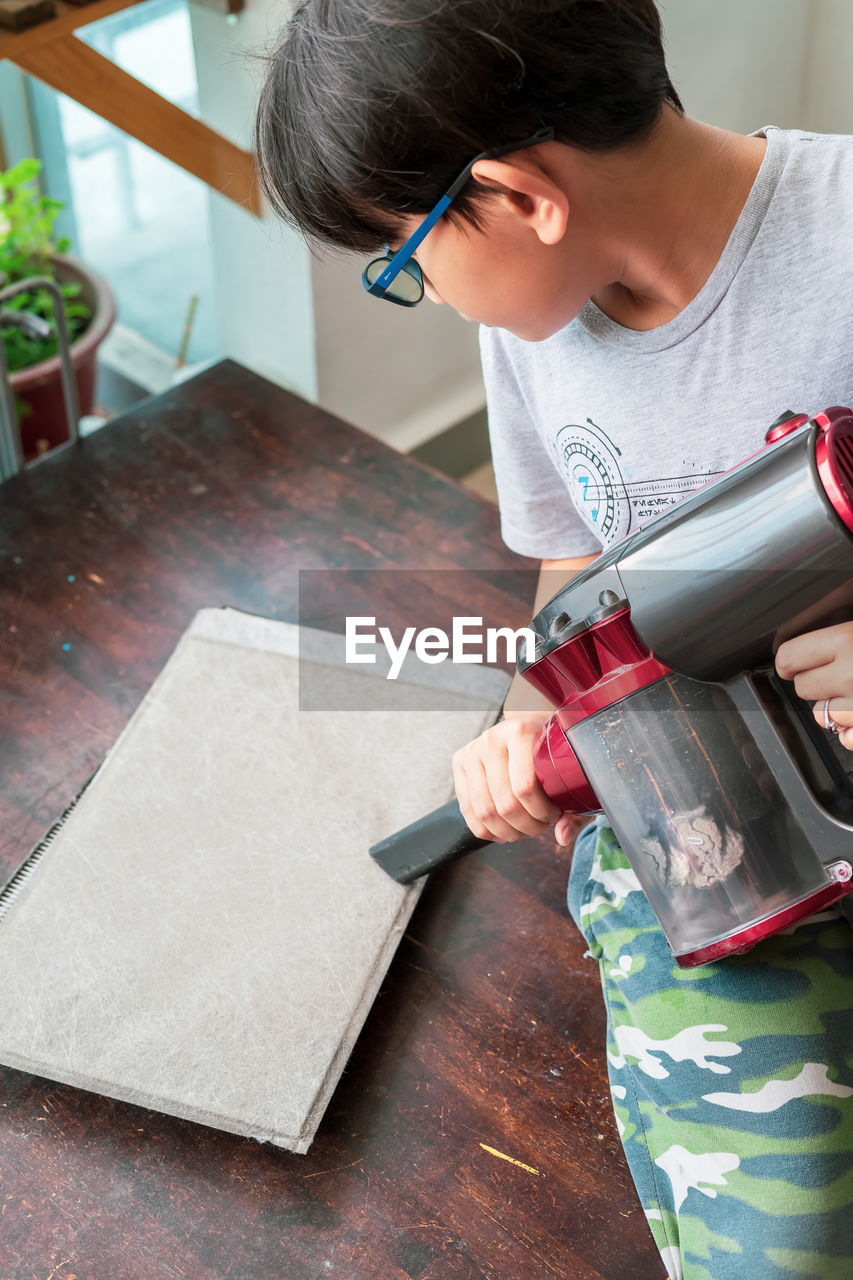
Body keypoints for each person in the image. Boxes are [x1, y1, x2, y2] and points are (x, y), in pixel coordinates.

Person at [254, 3, 853, 1275]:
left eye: (400, 260)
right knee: (779, 1240)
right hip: (730, 822)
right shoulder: (535, 330)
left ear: (521, 197)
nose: (417, 296)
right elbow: (575, 564)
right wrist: (532, 715)